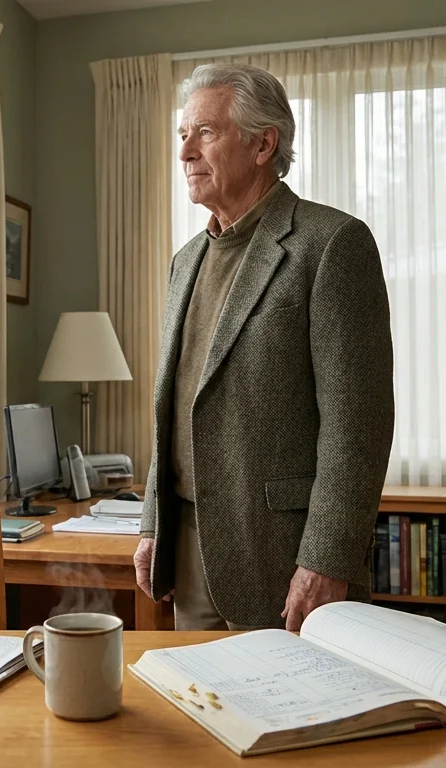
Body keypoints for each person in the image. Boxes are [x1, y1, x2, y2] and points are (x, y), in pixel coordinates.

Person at [134, 63, 394, 632]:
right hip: (189, 553)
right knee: (200, 714)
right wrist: (153, 522)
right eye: (183, 136)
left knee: (297, 720)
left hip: (282, 559)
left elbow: (358, 426)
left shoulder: (332, 244)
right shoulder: (184, 261)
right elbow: (175, 406)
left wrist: (326, 559)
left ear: (262, 144)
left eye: (204, 132)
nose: (185, 153)